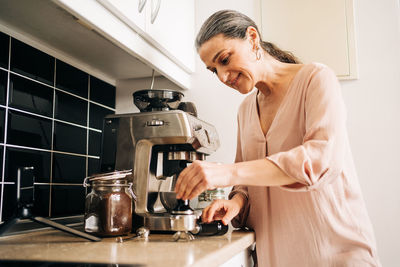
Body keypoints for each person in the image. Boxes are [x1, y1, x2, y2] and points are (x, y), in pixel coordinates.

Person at [174, 9, 381, 267]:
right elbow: (246, 185)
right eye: (213, 70)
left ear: (252, 38)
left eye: (225, 59)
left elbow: (319, 160)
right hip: (278, 257)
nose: (223, 77)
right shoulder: (245, 111)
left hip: (337, 254)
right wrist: (235, 203)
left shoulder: (316, 79)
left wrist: (227, 172)